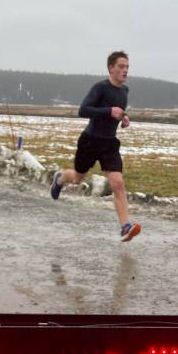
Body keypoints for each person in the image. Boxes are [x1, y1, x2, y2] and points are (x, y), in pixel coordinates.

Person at [50, 51, 140, 241]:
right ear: (111, 68)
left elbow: (117, 112)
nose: (125, 70)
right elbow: (83, 110)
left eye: (127, 67)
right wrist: (109, 111)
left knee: (118, 183)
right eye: (121, 66)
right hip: (90, 141)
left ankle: (125, 226)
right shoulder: (100, 87)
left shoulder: (125, 91)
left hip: (109, 143)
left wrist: (124, 118)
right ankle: (60, 178)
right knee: (77, 178)